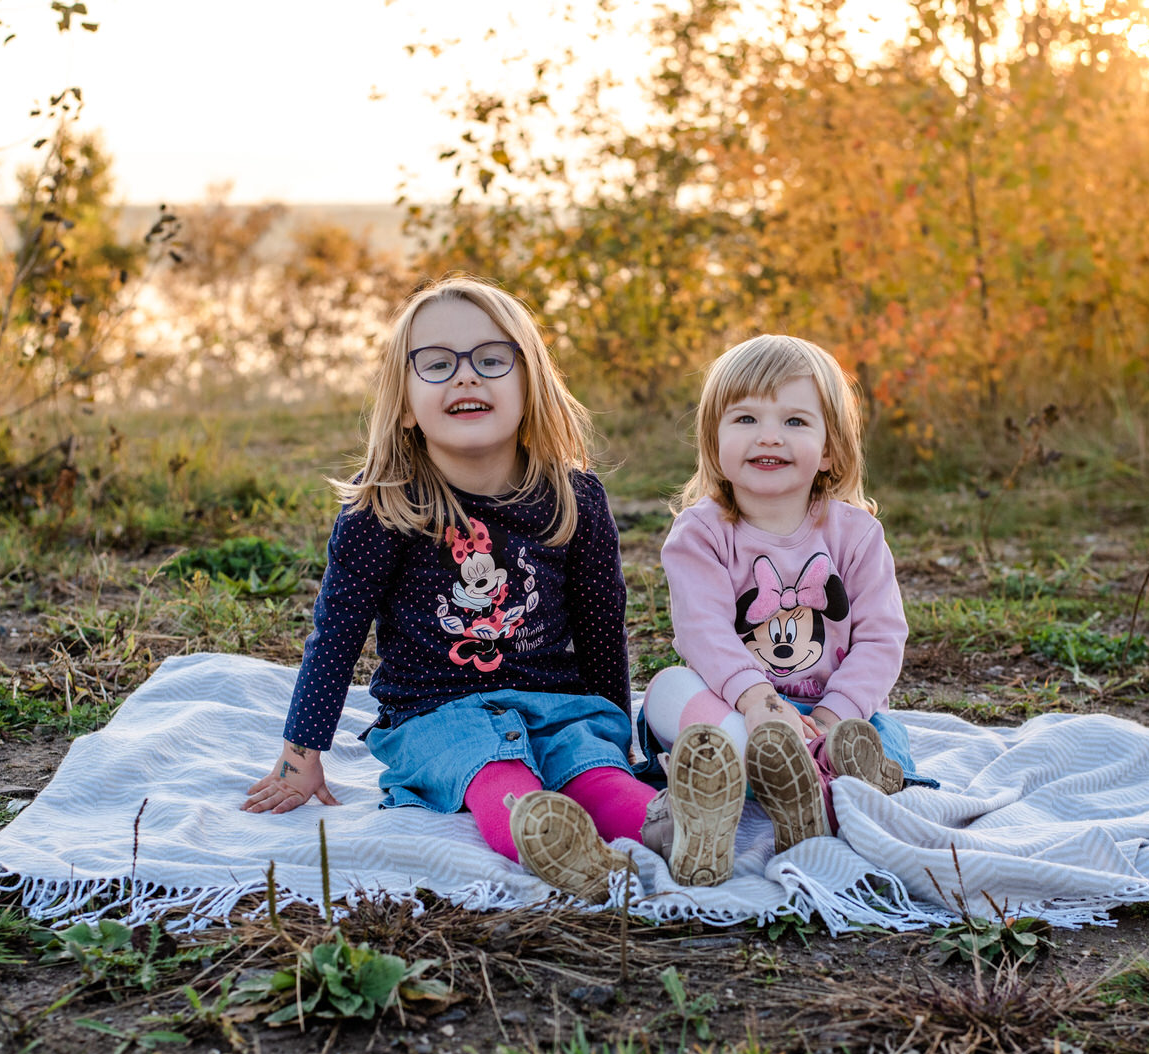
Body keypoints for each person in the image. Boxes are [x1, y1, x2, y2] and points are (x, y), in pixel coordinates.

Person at [241, 275, 743, 902]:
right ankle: (559, 849)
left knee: (593, 772)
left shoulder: (573, 498)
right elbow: (336, 634)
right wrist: (301, 753)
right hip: (436, 716)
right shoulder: (386, 509)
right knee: (495, 776)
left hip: (557, 703)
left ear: (529, 385)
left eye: (491, 358)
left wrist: (615, 727)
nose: (465, 377)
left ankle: (679, 832)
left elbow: (599, 622)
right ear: (403, 402)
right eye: (436, 363)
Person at [645, 334, 934, 854]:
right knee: (666, 691)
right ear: (714, 442)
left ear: (829, 450)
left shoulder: (856, 536)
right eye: (746, 419)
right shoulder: (701, 534)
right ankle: (767, 778)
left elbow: (882, 639)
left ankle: (830, 782)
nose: (769, 437)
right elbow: (703, 631)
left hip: (837, 710)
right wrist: (759, 703)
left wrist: (834, 714)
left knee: (878, 740)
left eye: (794, 421)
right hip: (738, 708)